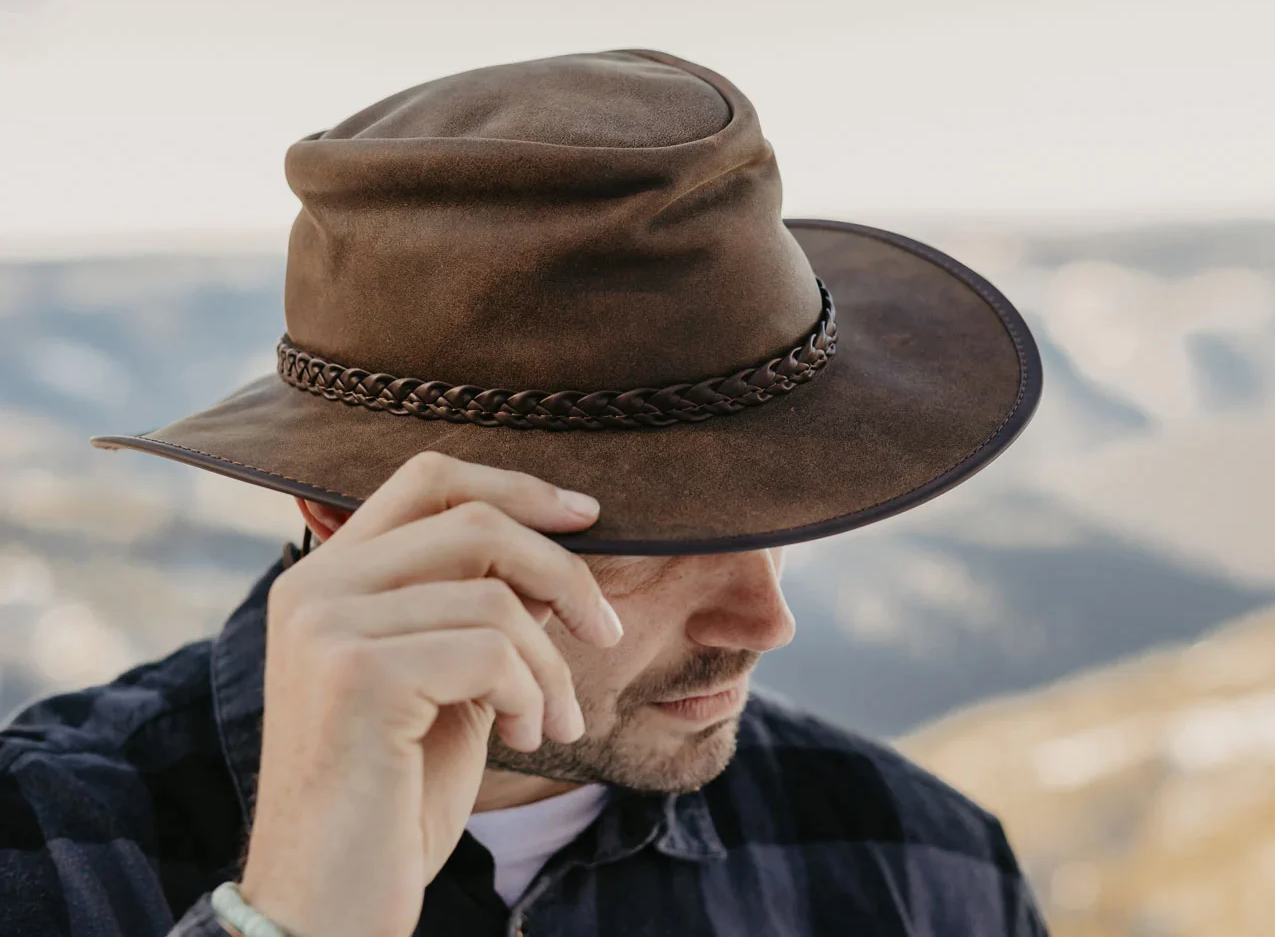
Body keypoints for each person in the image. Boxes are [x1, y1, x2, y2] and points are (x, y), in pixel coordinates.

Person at [0, 49, 1047, 936]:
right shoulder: (43, 848)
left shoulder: (922, 867)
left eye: (777, 517)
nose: (766, 620)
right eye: (643, 538)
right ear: (342, 510)